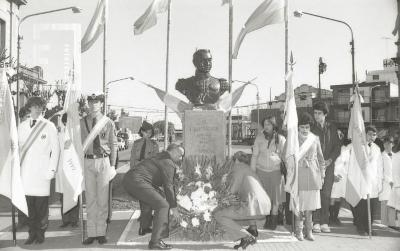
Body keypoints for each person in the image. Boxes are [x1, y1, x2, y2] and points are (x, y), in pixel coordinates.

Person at [123, 144, 184, 250]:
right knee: (163, 205)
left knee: (150, 199)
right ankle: (155, 242)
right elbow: (168, 186)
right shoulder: (168, 162)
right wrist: (174, 208)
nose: (181, 158)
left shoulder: (159, 156)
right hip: (138, 181)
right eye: (180, 155)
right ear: (173, 151)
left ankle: (144, 227)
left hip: (129, 179)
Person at [18, 96, 60, 244]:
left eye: (39, 106)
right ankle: (32, 233)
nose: (36, 109)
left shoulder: (49, 126)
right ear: (29, 108)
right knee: (29, 206)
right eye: (34, 106)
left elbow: (56, 150)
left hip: (42, 172)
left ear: (43, 108)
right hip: (26, 173)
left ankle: (40, 232)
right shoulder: (22, 126)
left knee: (41, 206)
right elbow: (17, 149)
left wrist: (52, 169)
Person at [214, 151, 271, 250]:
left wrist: (217, 199)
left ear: (236, 160)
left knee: (218, 214)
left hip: (254, 205)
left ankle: (246, 236)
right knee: (238, 208)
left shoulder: (238, 168)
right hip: (263, 206)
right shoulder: (248, 169)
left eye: (232, 160)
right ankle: (252, 229)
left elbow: (231, 192)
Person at [80, 94, 117, 245]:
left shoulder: (108, 122)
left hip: (103, 161)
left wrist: (113, 165)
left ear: (101, 104)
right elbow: (78, 142)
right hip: (87, 161)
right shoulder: (82, 122)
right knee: (90, 199)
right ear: (88, 104)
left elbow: (113, 144)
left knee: (102, 199)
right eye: (91, 102)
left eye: (96, 102)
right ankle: (91, 232)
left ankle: (101, 232)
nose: (93, 105)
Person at [250, 116, 286, 230]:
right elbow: (255, 156)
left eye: (269, 124)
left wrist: (279, 159)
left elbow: (286, 157)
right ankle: (267, 219)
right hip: (261, 172)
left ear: (274, 125)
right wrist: (252, 172)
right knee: (264, 198)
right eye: (265, 124)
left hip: (275, 172)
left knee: (275, 199)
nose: (266, 126)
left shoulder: (281, 139)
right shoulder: (259, 138)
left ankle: (274, 221)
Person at [311, 101, 341, 233]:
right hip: (315, 166)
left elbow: (337, 147)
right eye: (315, 113)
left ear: (325, 114)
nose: (316, 116)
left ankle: (324, 222)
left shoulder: (332, 128)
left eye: (319, 113)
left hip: (328, 167)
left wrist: (330, 160)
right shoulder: (311, 128)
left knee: (326, 195)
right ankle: (315, 222)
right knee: (316, 193)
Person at [295, 113, 326, 241]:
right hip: (299, 175)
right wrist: (298, 161)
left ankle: (309, 231)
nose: (305, 130)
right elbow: (287, 157)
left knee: (310, 207)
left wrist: (323, 174)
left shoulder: (315, 138)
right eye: (302, 127)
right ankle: (299, 231)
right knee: (299, 206)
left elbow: (321, 158)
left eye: (307, 127)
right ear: (298, 128)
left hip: (313, 174)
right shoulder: (293, 139)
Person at [130, 120, 159, 235]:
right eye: (146, 132)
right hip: (137, 173)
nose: (148, 134)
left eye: (150, 132)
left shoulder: (154, 145)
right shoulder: (136, 143)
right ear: (142, 132)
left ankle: (144, 226)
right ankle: (144, 226)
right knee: (144, 201)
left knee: (146, 201)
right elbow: (132, 159)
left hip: (148, 174)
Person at [353, 125, 382, 236]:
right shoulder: (359, 147)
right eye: (369, 134)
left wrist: (379, 182)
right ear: (365, 134)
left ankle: (369, 227)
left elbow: (379, 167)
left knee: (371, 207)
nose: (372, 137)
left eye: (374, 135)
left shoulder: (377, 148)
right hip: (361, 179)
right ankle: (361, 227)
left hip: (372, 181)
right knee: (362, 206)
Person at [56, 113, 79, 228]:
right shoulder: (59, 134)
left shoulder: (77, 135)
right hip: (62, 169)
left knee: (74, 194)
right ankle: (65, 220)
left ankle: (74, 220)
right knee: (63, 196)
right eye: (67, 122)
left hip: (73, 168)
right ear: (64, 122)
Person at [16, 105, 30, 229]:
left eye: (29, 117)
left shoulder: (36, 130)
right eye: (26, 117)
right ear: (21, 118)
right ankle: (22, 220)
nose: (27, 120)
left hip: (34, 169)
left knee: (34, 196)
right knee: (21, 195)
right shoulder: (16, 131)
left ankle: (34, 219)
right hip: (20, 168)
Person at [379, 136, 396, 228]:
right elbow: (381, 171)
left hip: (395, 184)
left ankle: (392, 224)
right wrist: (389, 181)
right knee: (385, 204)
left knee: (393, 205)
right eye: (385, 143)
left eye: (389, 143)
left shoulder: (396, 156)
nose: (387, 145)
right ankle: (384, 224)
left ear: (392, 144)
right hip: (385, 184)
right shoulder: (381, 156)